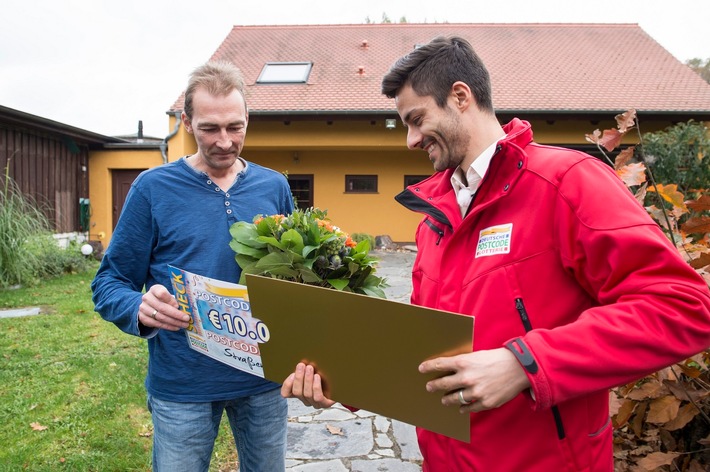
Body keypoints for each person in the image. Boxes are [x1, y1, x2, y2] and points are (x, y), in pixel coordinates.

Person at [282, 36, 710, 471]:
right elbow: (424, 353)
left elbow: (683, 306)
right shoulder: (433, 222)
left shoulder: (567, 183)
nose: (410, 140)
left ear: (461, 96)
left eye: (416, 119)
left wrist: (526, 363)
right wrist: (342, 382)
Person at [92, 61, 294, 472]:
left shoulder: (274, 187)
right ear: (186, 122)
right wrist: (138, 308)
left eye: (235, 127)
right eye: (209, 129)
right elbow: (110, 281)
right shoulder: (152, 189)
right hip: (183, 383)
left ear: (247, 121)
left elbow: (294, 277)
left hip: (264, 378)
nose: (224, 141)